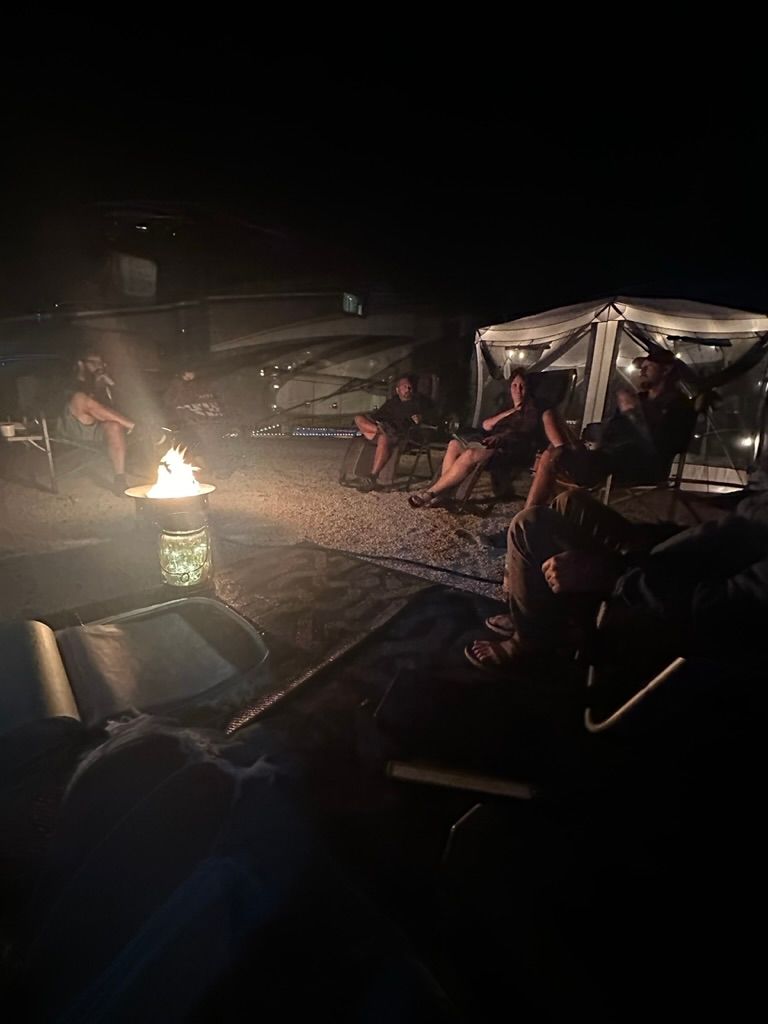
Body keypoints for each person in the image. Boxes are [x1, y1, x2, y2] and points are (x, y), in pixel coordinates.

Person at [464, 477, 768, 673]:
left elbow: (724, 612)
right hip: (672, 564)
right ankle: (536, 613)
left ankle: (531, 640)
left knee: (529, 525)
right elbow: (726, 534)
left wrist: (613, 574)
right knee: (571, 502)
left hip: (655, 605)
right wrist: (647, 541)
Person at [524, 348, 695, 508]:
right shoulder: (640, 399)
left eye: (648, 367)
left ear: (665, 370)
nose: (641, 372)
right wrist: (592, 439)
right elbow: (612, 430)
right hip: (604, 456)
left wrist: (633, 414)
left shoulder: (678, 407)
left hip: (632, 468)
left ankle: (529, 518)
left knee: (551, 457)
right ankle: (564, 500)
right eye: (641, 367)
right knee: (550, 420)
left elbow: (660, 449)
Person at [408, 368, 567, 509]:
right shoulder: (506, 407)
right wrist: (512, 411)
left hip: (512, 452)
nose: (518, 390)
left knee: (470, 454)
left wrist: (503, 437)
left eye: (522, 386)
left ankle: (430, 493)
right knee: (454, 444)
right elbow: (486, 425)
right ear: (510, 388)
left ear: (528, 389)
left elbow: (540, 438)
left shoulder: (537, 411)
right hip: (492, 445)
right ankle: (444, 493)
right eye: (514, 386)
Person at [58, 350, 139, 497]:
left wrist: (111, 385)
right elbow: (83, 402)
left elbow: (123, 406)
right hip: (74, 426)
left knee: (114, 426)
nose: (99, 366)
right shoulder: (70, 381)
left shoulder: (102, 383)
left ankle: (119, 479)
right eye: (93, 362)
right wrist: (91, 381)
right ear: (81, 363)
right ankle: (138, 428)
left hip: (97, 429)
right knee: (80, 398)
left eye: (101, 362)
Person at [353, 375, 436, 492]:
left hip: (400, 435)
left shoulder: (419, 402)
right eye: (404, 387)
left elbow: (433, 417)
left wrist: (422, 418)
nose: (408, 389)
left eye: (409, 387)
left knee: (383, 438)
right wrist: (374, 422)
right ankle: (379, 431)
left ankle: (372, 476)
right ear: (397, 390)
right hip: (382, 429)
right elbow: (377, 416)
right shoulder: (392, 402)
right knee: (358, 418)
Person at [163, 366, 240, 479]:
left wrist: (232, 421)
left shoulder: (207, 384)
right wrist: (179, 384)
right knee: (198, 437)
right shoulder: (177, 387)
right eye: (185, 374)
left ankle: (219, 466)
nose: (188, 376)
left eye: (191, 372)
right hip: (192, 424)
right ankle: (207, 467)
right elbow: (169, 403)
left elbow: (223, 403)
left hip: (213, 421)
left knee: (214, 438)